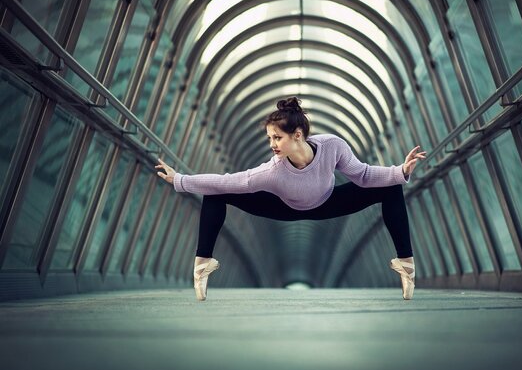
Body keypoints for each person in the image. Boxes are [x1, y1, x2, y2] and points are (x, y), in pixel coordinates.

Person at [155, 97, 426, 301]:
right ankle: (202, 265)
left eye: (277, 137)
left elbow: (364, 175)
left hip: (328, 202)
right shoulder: (272, 170)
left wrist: (401, 171)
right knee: (219, 192)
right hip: (282, 208)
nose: (272, 144)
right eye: (269, 137)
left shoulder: (333, 146)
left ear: (297, 135)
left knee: (392, 185)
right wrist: (180, 180)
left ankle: (406, 264)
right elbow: (228, 180)